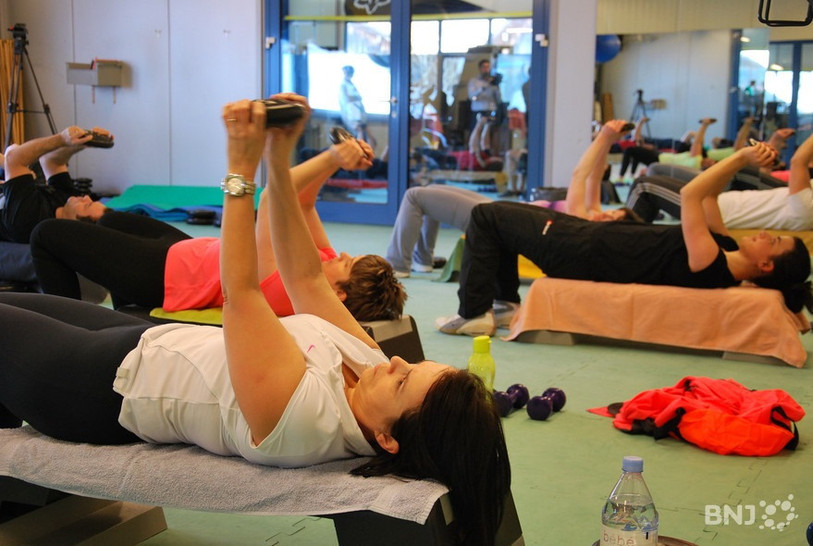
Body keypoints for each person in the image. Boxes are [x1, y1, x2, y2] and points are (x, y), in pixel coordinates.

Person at [0, 95, 511, 546]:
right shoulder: (370, 369)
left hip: (94, 388)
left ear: (387, 440)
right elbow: (305, 278)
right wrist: (277, 153)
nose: (396, 359)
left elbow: (242, 293)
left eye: (403, 381)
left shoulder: (308, 421)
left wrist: (240, 168)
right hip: (145, 341)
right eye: (412, 366)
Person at [436, 141, 811, 336]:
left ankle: (472, 313)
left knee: (485, 215)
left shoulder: (711, 264)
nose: (764, 234)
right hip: (587, 236)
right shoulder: (725, 247)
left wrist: (743, 158)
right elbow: (711, 196)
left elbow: (693, 195)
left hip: (578, 251)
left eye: (773, 242)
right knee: (499, 215)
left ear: (765, 265)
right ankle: (502, 303)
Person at [30, 139, 406, 321]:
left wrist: (333, 157)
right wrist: (338, 164)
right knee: (103, 214)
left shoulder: (287, 287)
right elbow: (304, 202)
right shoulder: (321, 262)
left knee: (46, 234)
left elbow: (275, 193)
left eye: (347, 263)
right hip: (186, 250)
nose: (341, 254)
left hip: (160, 275)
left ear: (339, 293)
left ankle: (67, 323)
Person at [386, 120, 641, 278]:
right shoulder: (593, 210)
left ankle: (397, 264)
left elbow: (579, 176)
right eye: (612, 211)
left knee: (414, 195)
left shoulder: (582, 222)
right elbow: (594, 177)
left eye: (609, 220)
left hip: (498, 224)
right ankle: (422, 260)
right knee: (431, 188)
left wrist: (604, 135)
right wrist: (609, 141)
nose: (605, 213)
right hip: (505, 212)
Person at [626, 131, 813, 230]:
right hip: (715, 199)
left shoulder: (808, 207)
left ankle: (624, 245)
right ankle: (633, 242)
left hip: (711, 210)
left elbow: (798, 161)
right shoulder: (806, 201)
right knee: (651, 178)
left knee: (644, 186)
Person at [0, 126, 113, 243]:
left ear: (75, 224)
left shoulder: (29, 220)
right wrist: (85, 141)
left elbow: (13, 159)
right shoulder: (68, 200)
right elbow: (51, 161)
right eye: (92, 201)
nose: (86, 197)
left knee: (13, 150)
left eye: (86, 206)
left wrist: (61, 139)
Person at [617, 118, 718, 180]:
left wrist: (704, 125)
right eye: (711, 160)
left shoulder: (697, 160)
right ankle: (631, 174)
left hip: (659, 160)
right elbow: (697, 141)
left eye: (710, 163)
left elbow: (697, 142)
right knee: (636, 150)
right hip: (660, 155)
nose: (709, 160)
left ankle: (621, 176)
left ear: (706, 167)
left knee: (631, 150)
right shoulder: (694, 157)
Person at [338, 65, 372, 145]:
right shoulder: (343, 85)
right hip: (351, 114)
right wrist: (357, 98)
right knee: (358, 132)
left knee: (364, 133)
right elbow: (346, 98)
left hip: (358, 113)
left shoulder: (352, 84)